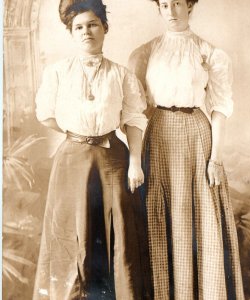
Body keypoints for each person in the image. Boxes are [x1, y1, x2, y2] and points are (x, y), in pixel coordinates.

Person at [33, 0, 150, 299]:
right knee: (72, 236)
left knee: (117, 236)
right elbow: (45, 113)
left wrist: (135, 161)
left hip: (113, 160)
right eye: (79, 27)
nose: (86, 32)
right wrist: (80, 132)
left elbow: (134, 119)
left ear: (105, 28)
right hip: (72, 161)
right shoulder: (58, 72)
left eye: (93, 25)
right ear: (72, 33)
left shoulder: (121, 74)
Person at [129, 0, 244, 299]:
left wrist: (215, 157)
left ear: (190, 6)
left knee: (202, 217)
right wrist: (135, 158)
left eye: (177, 3)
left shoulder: (210, 53)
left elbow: (219, 108)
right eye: (164, 4)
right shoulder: (144, 53)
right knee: (161, 212)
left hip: (197, 137)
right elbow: (136, 112)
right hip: (159, 135)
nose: (171, 11)